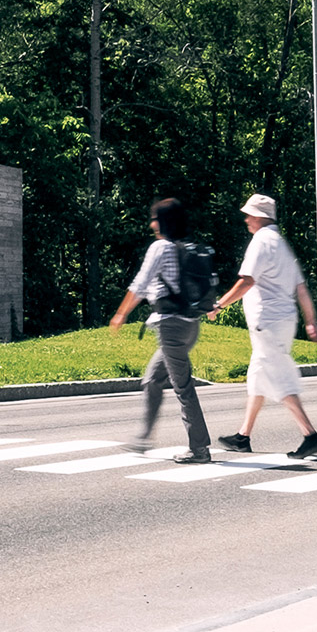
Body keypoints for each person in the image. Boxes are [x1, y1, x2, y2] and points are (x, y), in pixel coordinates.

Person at [208, 192, 317, 458]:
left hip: (267, 321)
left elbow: (247, 281)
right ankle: (243, 436)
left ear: (260, 217)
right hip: (283, 321)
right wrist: (310, 322)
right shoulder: (281, 245)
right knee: (258, 378)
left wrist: (219, 305)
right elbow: (301, 288)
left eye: (249, 214)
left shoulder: (261, 241)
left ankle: (310, 434)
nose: (246, 219)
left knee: (278, 378)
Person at [106, 196, 212, 464]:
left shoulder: (160, 248)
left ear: (161, 221)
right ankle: (143, 439)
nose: (151, 222)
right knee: (152, 380)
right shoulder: (184, 247)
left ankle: (199, 449)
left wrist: (120, 314)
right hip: (189, 326)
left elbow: (140, 285)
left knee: (183, 387)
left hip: (171, 327)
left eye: (154, 217)